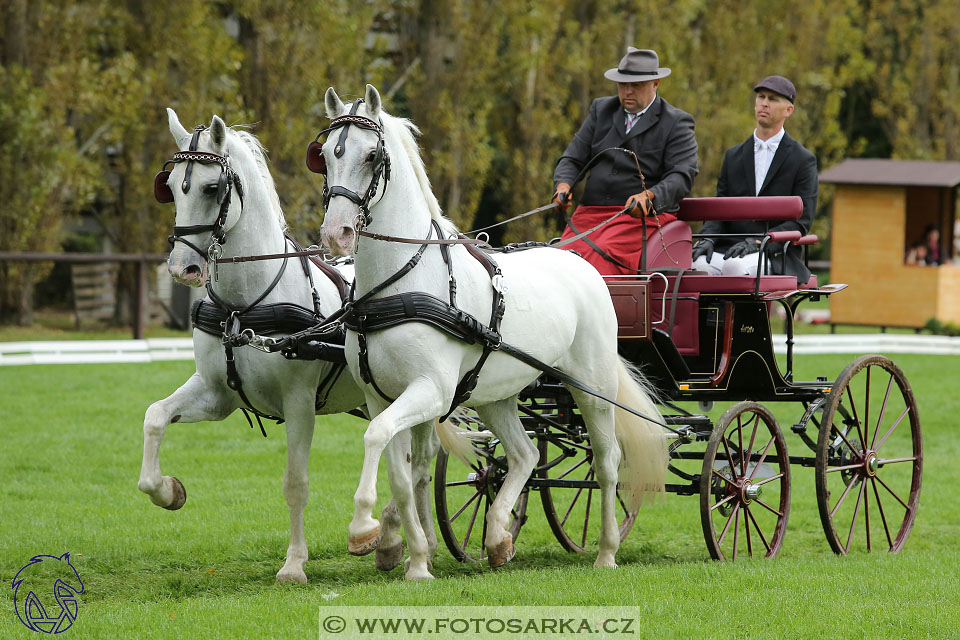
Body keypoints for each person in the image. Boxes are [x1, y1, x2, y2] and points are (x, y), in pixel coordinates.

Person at [552, 47, 699, 275]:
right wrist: (563, 184)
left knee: (601, 254)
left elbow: (682, 175)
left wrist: (650, 196)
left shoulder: (676, 122)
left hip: (639, 218)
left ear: (656, 83)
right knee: (562, 259)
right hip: (590, 214)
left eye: (636, 85)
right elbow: (573, 157)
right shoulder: (601, 110)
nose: (628, 91)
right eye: (622, 85)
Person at [691, 75, 818, 281]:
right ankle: (711, 315)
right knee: (697, 263)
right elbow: (718, 208)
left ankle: (746, 315)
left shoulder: (803, 160)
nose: (764, 103)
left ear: (788, 110)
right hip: (730, 247)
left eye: (773, 99)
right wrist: (708, 238)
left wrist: (760, 242)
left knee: (734, 266)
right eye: (761, 97)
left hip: (775, 252)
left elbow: (802, 222)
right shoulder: (734, 156)